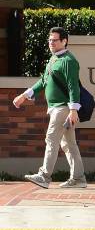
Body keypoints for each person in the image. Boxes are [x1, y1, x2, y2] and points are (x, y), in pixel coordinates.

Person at [12, 27, 87, 189]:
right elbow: (43, 81)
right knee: (69, 144)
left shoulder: (69, 60)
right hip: (56, 108)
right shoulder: (53, 59)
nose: (51, 43)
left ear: (64, 41)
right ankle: (79, 179)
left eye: (55, 40)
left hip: (63, 108)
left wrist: (73, 110)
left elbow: (73, 86)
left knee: (51, 139)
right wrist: (24, 96)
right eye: (50, 40)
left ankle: (44, 176)